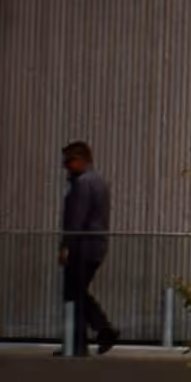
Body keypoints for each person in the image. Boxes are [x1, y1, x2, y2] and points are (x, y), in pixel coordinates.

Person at [56, 138, 123, 353]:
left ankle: (86, 339)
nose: (65, 166)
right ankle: (89, 337)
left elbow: (77, 218)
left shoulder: (83, 183)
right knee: (78, 293)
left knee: (73, 294)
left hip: (82, 247)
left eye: (68, 162)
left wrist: (66, 246)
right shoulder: (98, 182)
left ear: (80, 160)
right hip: (95, 246)